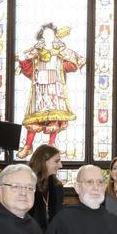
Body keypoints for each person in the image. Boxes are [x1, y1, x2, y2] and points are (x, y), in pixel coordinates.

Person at [15, 23, 86, 159]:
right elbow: (28, 68)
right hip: (40, 88)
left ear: (54, 35)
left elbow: (73, 64)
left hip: (55, 88)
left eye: (50, 34)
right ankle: (28, 146)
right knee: (35, 117)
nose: (48, 36)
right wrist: (23, 62)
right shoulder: (36, 51)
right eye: (45, 33)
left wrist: (60, 67)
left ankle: (52, 143)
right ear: (42, 35)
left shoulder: (61, 50)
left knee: (55, 117)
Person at [28, 144, 64, 230]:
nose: (61, 165)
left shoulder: (57, 187)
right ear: (44, 161)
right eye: (56, 161)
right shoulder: (27, 185)